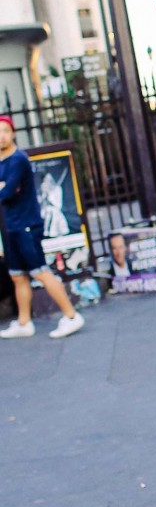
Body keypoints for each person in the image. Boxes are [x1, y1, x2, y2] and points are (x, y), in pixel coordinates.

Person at [0, 115, 85, 339]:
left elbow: (6, 192)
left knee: (40, 271)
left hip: (27, 225)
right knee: (18, 276)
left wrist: (3, 188)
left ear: (13, 133)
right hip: (11, 226)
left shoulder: (19, 160)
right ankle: (24, 322)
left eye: (5, 131)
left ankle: (71, 316)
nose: (1, 136)